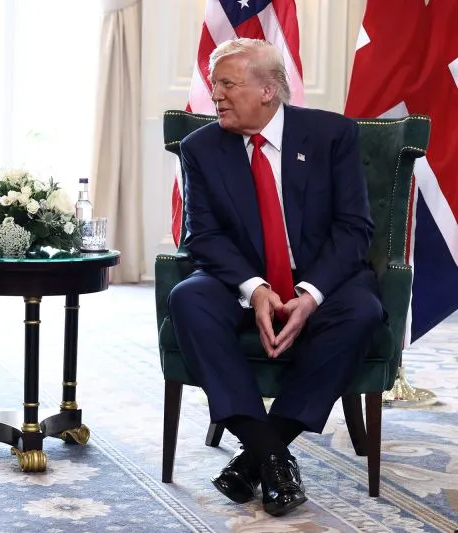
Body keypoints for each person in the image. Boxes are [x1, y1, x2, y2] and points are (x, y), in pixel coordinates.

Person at [168, 38, 383, 517]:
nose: (216, 94)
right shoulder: (201, 147)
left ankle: (255, 458)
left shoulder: (332, 136)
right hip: (240, 281)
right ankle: (272, 456)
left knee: (363, 309)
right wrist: (256, 287)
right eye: (213, 83)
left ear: (268, 90)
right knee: (188, 299)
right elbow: (202, 235)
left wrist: (308, 294)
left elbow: (354, 228)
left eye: (227, 83)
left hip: (321, 278)